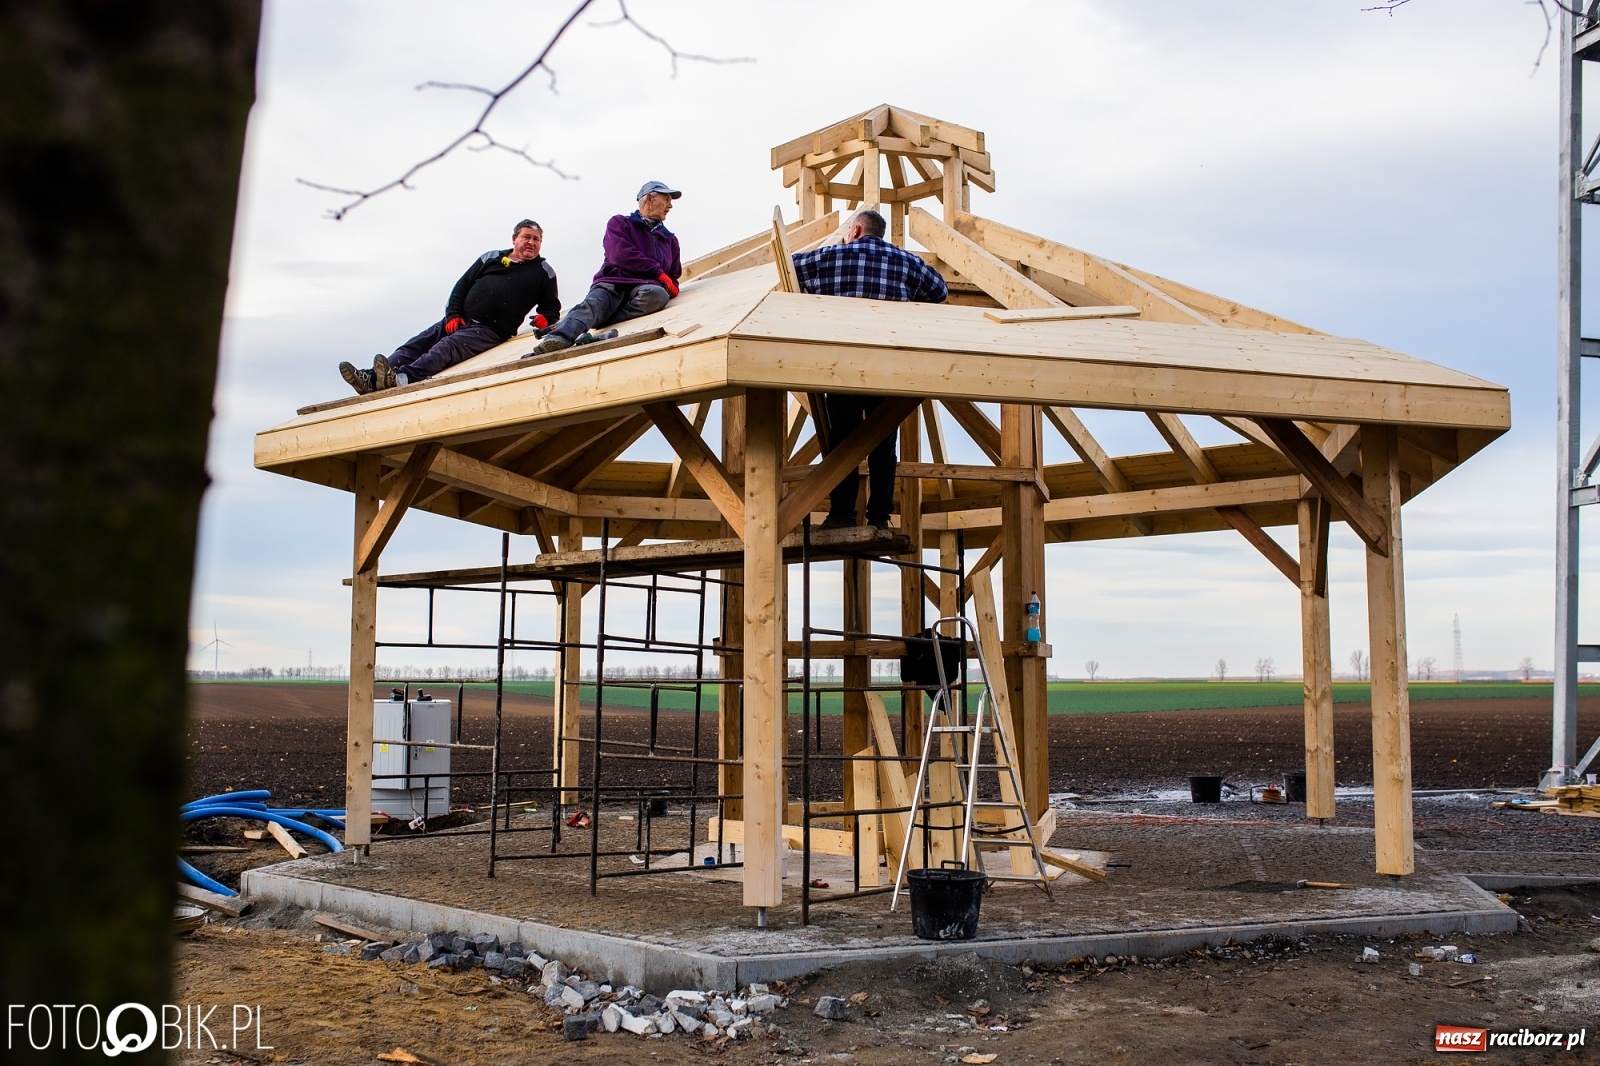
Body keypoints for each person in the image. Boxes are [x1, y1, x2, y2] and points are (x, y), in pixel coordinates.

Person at [791, 208, 948, 530]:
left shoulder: (829, 257)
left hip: (840, 367)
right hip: (888, 368)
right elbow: (940, 292)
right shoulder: (909, 263)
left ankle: (842, 514)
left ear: (857, 230)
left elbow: (788, 267)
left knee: (842, 441)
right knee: (883, 444)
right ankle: (879, 517)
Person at [339, 219, 560, 394]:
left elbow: (552, 307)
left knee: (446, 348)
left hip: (490, 330)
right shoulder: (491, 258)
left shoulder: (544, 272)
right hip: (459, 319)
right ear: (515, 238)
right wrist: (453, 314)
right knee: (415, 345)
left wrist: (545, 319)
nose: (531, 243)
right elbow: (461, 287)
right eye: (526, 237)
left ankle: (401, 378)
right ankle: (371, 378)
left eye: (536, 239)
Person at [525, 181, 683, 358]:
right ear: (649, 199)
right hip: (614, 282)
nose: (670, 205)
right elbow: (621, 255)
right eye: (666, 199)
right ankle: (557, 339)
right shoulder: (620, 223)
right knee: (594, 304)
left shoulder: (669, 240)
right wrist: (658, 273)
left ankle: (596, 318)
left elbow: (674, 273)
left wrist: (672, 285)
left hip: (644, 288)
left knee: (657, 295)